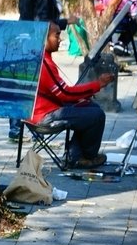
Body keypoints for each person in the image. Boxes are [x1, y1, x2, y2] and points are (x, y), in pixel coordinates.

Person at [8, 0, 79, 141]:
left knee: (22, 87)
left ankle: (16, 129)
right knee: (31, 89)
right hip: (35, 44)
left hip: (23, 41)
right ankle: (23, 129)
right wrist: (65, 22)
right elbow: (42, 24)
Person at [29, 22, 114, 168]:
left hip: (46, 109)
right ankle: (85, 157)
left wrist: (82, 97)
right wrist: (97, 84)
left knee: (88, 106)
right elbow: (64, 93)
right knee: (97, 115)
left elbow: (61, 92)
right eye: (57, 35)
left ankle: (75, 156)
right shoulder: (43, 63)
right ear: (44, 38)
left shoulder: (41, 57)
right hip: (43, 115)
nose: (60, 40)